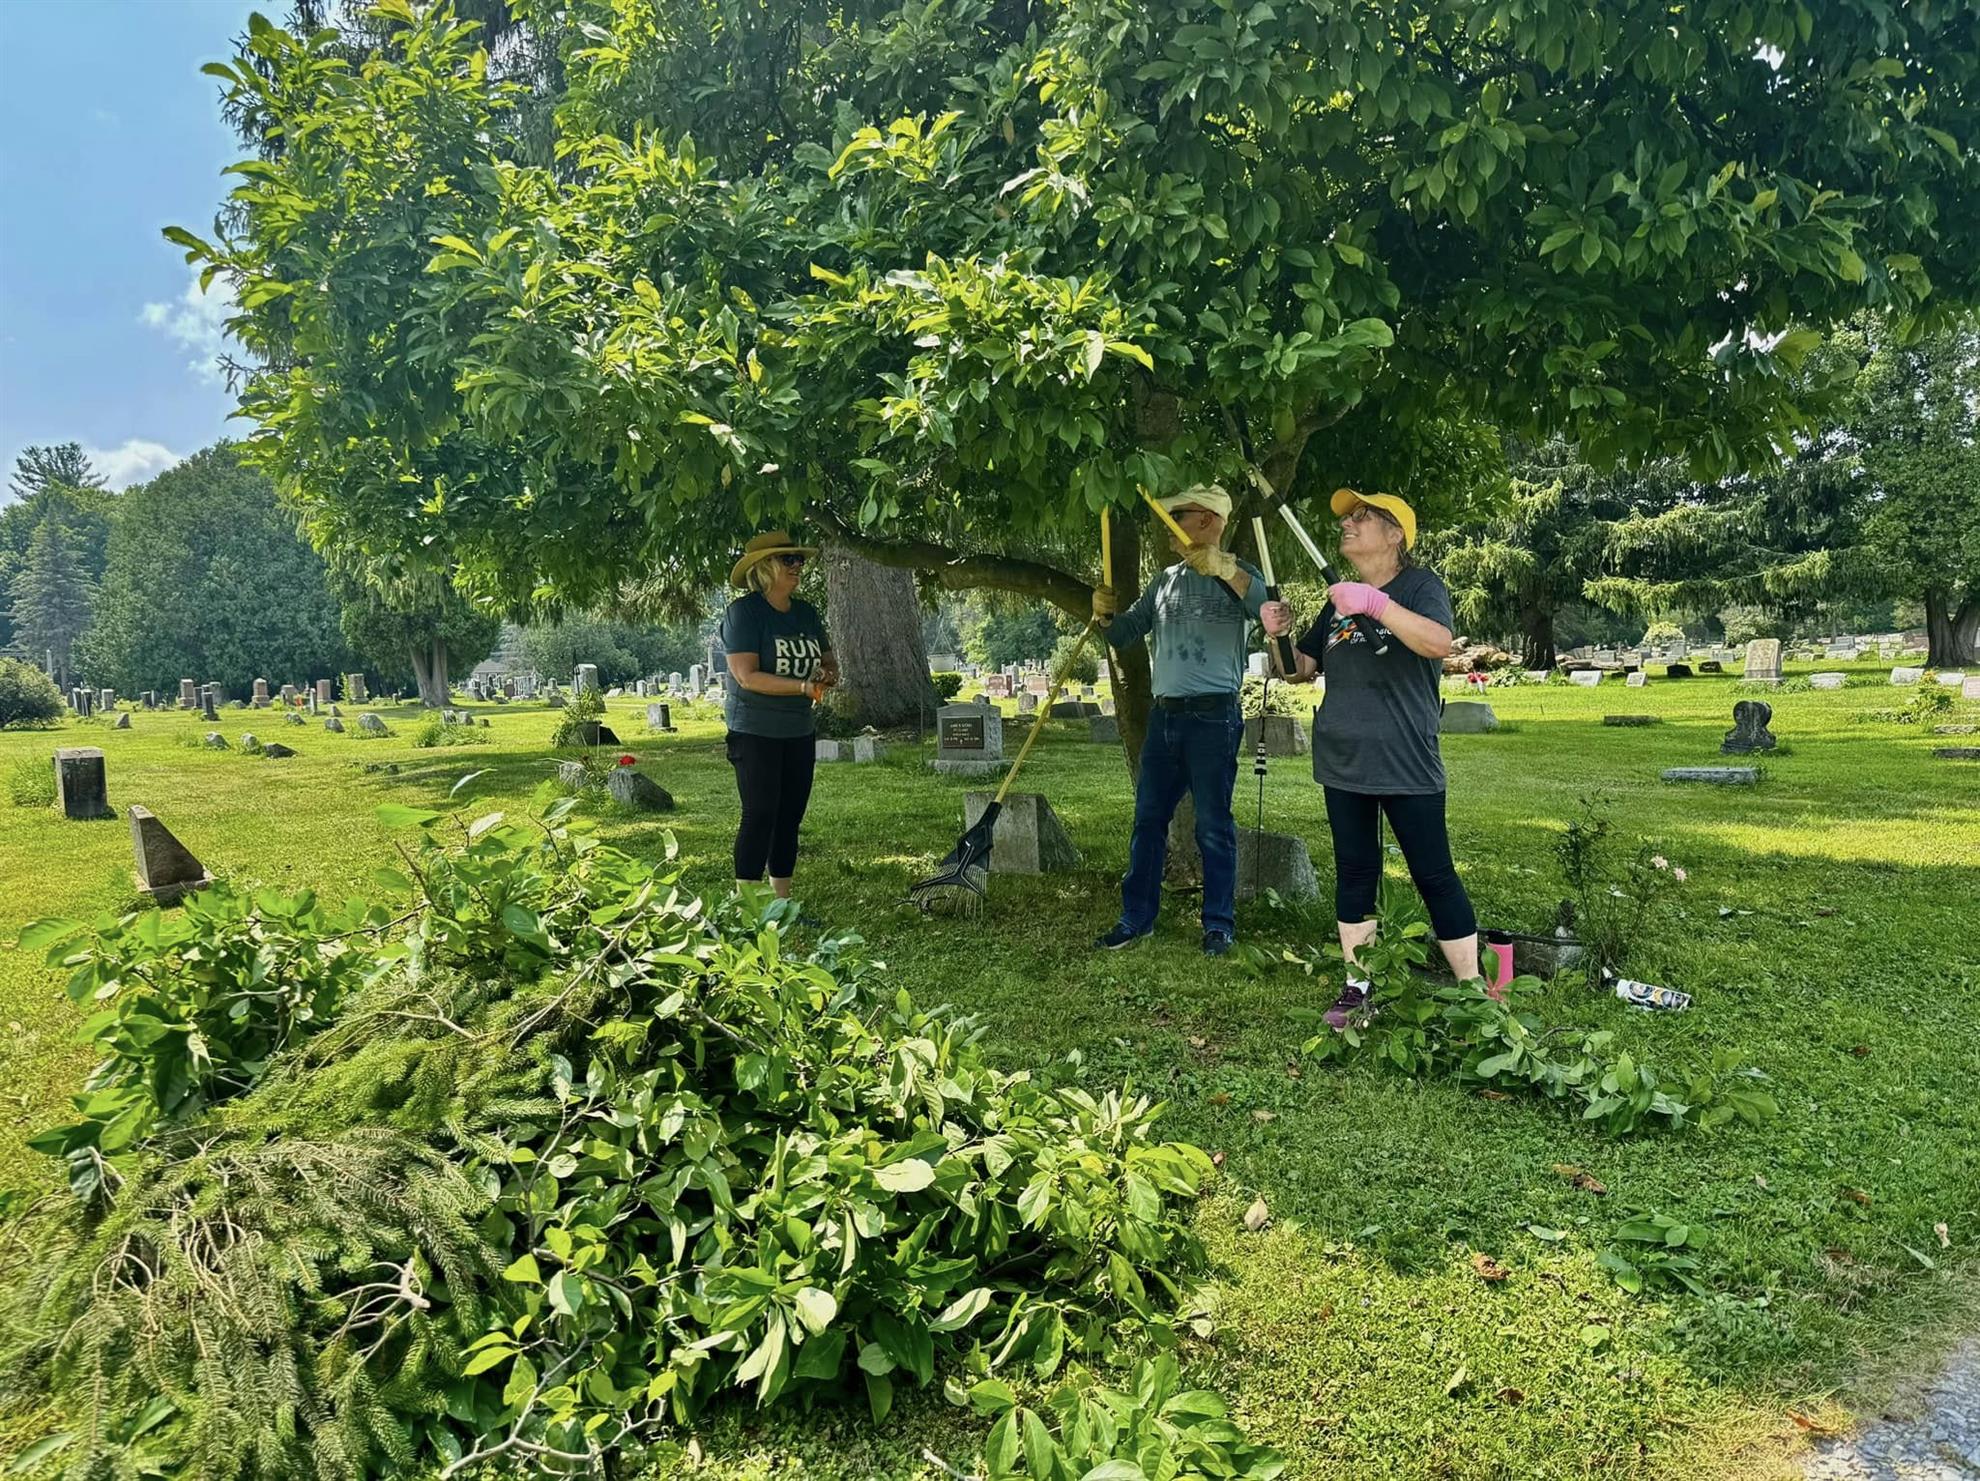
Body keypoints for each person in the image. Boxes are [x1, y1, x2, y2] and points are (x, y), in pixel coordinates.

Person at [1266, 488, 1483, 1025]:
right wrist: (1278, 635)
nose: (1348, 523)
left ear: (1394, 534)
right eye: (1348, 518)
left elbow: (1438, 643)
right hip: (1343, 759)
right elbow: (1295, 670)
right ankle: (1357, 986)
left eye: (1362, 517)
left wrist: (1376, 604)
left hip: (1406, 757)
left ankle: (1474, 991)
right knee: (1355, 870)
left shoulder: (1420, 586)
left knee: (1434, 874)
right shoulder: (1338, 601)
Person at [1090, 486, 1270, 957]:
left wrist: (1225, 569)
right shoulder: (1164, 581)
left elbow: (1267, 611)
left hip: (1214, 717)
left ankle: (1218, 925)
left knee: (1213, 825)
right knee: (1148, 820)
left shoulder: (1241, 576)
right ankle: (1136, 918)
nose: (1168, 528)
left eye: (1178, 517)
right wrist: (1106, 617)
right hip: (1164, 717)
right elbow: (1127, 632)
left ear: (1207, 520)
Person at [720, 531, 838, 899]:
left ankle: (781, 902)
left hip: (798, 729)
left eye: (799, 559)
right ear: (764, 567)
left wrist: (826, 675)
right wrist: (802, 687)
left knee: (789, 816)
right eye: (789, 559)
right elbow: (747, 676)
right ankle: (748, 905)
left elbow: (829, 661)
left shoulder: (806, 613)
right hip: (754, 729)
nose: (798, 565)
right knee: (760, 813)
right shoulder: (744, 613)